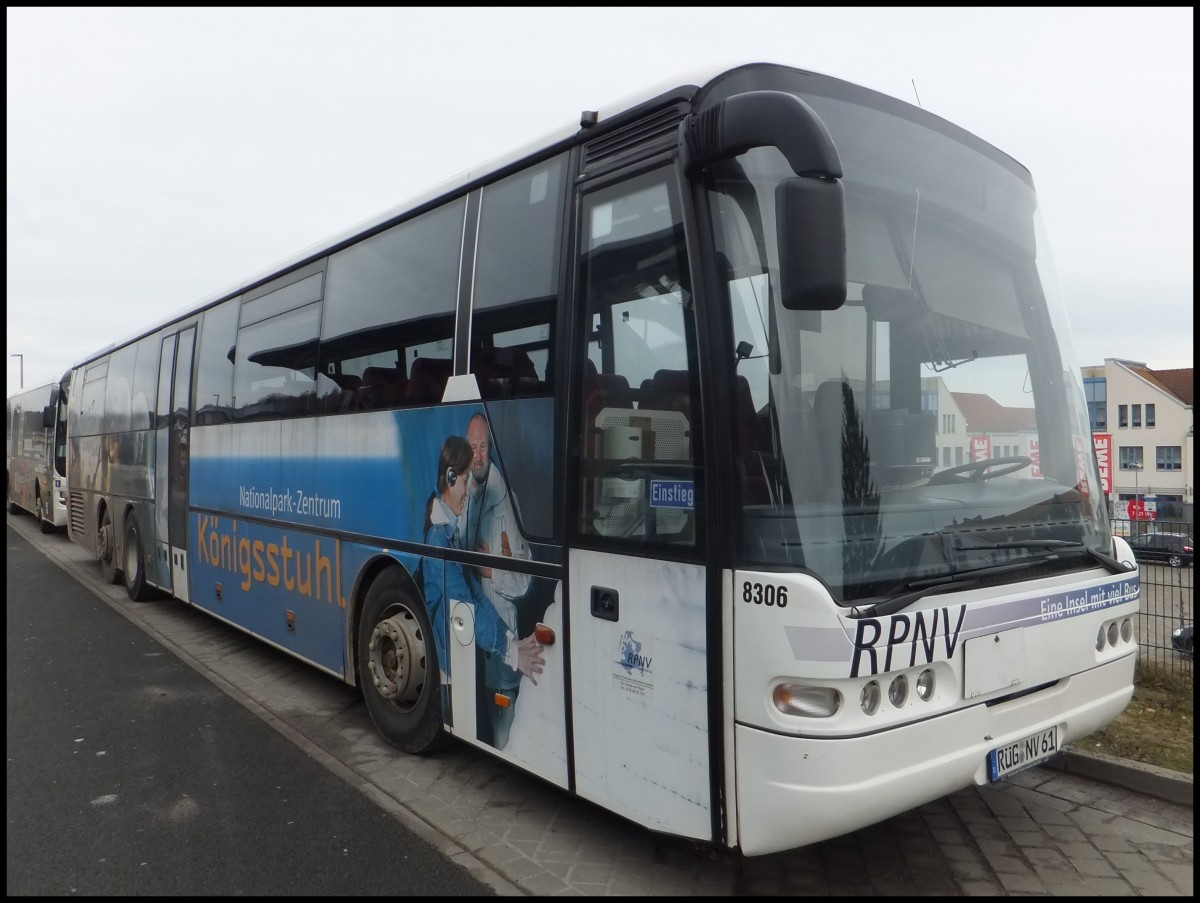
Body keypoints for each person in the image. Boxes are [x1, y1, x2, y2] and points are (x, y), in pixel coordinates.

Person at [422, 435, 544, 733]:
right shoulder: (439, 539)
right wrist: (514, 655)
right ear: (451, 479)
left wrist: (509, 639)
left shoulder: (448, 531)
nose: (468, 492)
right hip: (450, 657)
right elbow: (466, 607)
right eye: (464, 481)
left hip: (460, 650)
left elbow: (475, 593)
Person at [460, 412, 534, 749]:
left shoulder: (507, 502)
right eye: (472, 447)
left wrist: (491, 569)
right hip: (470, 634)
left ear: (492, 449)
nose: (477, 455)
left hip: (499, 635)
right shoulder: (462, 497)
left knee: (505, 738)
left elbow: (523, 582)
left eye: (483, 447)